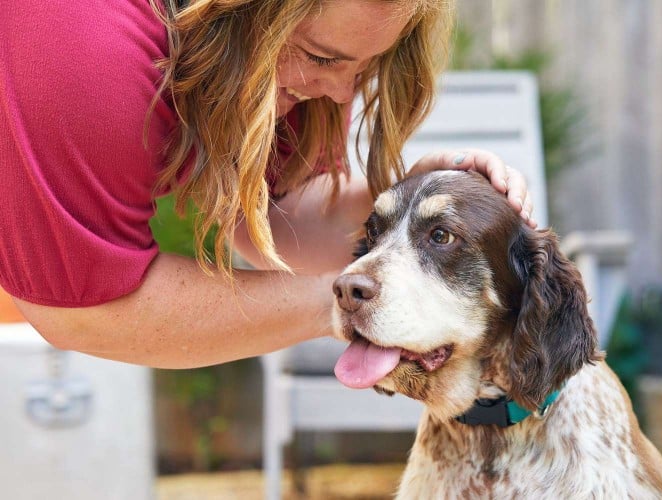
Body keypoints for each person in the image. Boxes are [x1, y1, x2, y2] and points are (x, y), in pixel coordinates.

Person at [0, 0, 536, 369]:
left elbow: (272, 218)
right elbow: (87, 312)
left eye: (364, 66)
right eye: (322, 58)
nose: (340, 90)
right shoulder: (83, 52)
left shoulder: (291, 53)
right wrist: (349, 305)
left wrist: (402, 215)